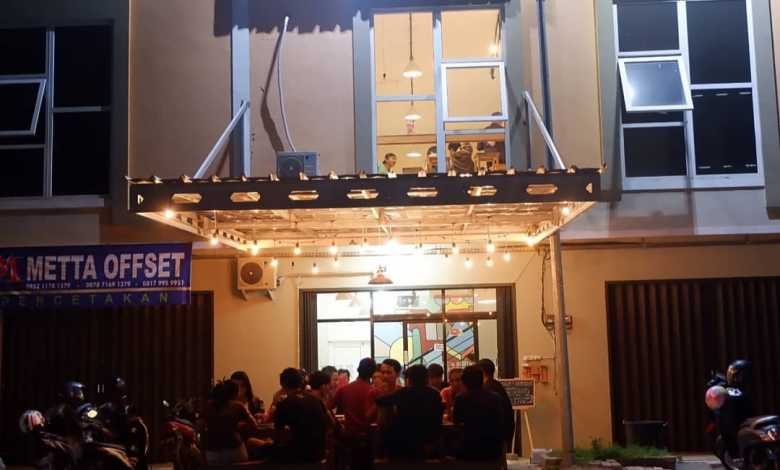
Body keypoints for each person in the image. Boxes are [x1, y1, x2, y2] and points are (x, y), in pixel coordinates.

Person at [375, 364, 443, 460]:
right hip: (428, 440)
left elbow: (380, 401)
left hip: (403, 440)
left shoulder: (402, 393)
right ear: (426, 378)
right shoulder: (434, 394)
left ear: (409, 379)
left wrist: (383, 390)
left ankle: (380, 456)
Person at [274, 368, 329, 464]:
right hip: (319, 455)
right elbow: (328, 423)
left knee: (255, 445)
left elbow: (279, 435)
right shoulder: (316, 400)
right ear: (300, 382)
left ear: (283, 384)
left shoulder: (284, 403)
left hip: (298, 456)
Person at [331, 358, 377, 470]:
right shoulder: (374, 391)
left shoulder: (344, 390)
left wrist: (338, 426)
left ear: (358, 370)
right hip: (369, 437)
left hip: (349, 437)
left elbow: (327, 409)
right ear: (373, 373)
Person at [453, 365, 505, 461]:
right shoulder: (495, 398)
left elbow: (456, 421)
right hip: (492, 448)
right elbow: (501, 421)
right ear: (482, 380)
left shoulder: (460, 398)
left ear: (464, 382)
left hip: (467, 448)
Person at [203, 380, 257, 465]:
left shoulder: (207, 407)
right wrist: (239, 426)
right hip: (234, 450)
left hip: (212, 452)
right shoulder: (237, 406)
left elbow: (200, 427)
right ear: (234, 393)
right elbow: (254, 425)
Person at [478, 358, 515, 450]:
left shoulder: (487, 388)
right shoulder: (497, 385)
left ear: (481, 371)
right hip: (504, 431)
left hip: (495, 434)